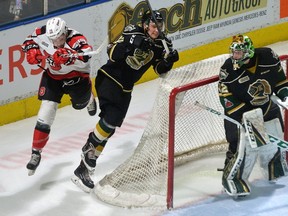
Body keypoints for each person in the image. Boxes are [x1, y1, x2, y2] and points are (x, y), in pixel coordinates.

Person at [71, 10, 179, 192]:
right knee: (111, 120)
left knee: (109, 128)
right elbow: (112, 53)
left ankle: (83, 170)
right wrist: (135, 43)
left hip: (126, 88)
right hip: (109, 78)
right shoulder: (133, 31)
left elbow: (159, 70)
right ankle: (89, 145)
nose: (156, 30)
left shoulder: (160, 44)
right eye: (153, 26)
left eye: (159, 27)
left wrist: (169, 61)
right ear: (145, 25)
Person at [22, 17, 97, 176]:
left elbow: (87, 54)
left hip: (77, 77)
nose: (57, 42)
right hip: (53, 77)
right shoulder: (42, 32)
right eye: (53, 39)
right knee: (45, 112)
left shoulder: (76, 38)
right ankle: (36, 152)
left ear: (65, 32)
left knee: (80, 105)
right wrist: (31, 50)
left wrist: (69, 55)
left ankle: (89, 97)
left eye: (60, 37)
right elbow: (29, 40)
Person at [218, 34, 288, 197]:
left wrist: (285, 95)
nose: (235, 56)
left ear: (248, 51)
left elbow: (280, 81)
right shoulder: (228, 69)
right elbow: (225, 98)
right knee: (241, 148)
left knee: (275, 136)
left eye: (239, 53)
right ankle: (232, 178)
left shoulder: (268, 57)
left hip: (266, 106)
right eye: (234, 53)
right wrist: (245, 117)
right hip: (239, 114)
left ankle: (274, 166)